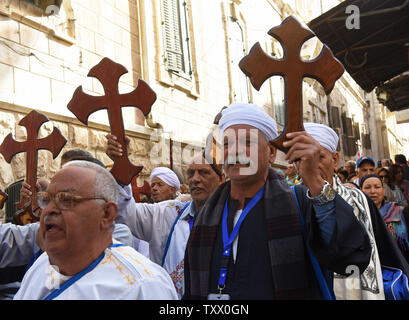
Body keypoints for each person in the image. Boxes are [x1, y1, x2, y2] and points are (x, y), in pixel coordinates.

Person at [183, 103, 372, 300]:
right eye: (228, 143)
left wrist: (314, 181)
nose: (235, 151)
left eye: (248, 142)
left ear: (272, 152)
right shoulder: (206, 214)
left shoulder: (299, 202)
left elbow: (349, 257)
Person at [13, 160, 177, 300]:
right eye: (46, 200)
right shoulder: (42, 262)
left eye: (66, 199)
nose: (49, 210)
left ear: (107, 214)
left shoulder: (143, 286)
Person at [105, 134, 225, 298]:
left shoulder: (233, 219)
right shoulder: (167, 213)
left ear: (221, 180)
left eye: (204, 173)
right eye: (191, 173)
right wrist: (121, 166)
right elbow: (126, 213)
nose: (195, 179)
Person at [303, 123, 409, 300]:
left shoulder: (359, 199)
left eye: (320, 157)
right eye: (303, 159)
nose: (312, 166)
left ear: (335, 159)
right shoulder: (290, 200)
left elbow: (379, 251)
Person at [361, 174, 409, 264]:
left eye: (377, 187)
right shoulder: (357, 215)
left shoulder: (399, 211)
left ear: (383, 190)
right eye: (367, 187)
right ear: (360, 191)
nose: (372, 191)